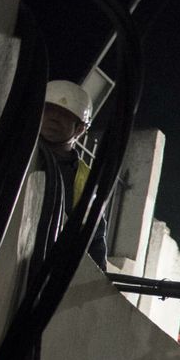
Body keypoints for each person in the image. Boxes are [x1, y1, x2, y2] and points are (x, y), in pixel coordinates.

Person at [40, 80, 110, 268]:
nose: (54, 118)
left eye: (64, 115)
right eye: (49, 110)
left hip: (47, 265)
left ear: (80, 129)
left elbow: (93, 237)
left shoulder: (86, 178)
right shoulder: (17, 150)